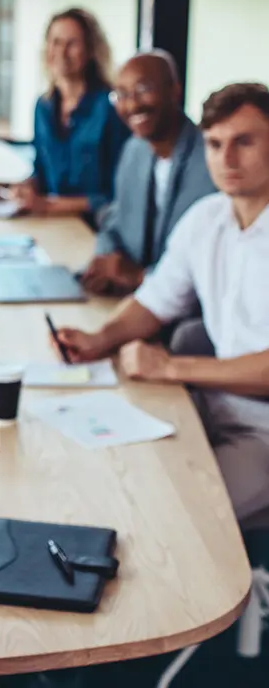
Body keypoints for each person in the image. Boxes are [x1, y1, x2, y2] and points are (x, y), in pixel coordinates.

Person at [54, 82, 269, 528]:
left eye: (243, 142)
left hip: (262, 428)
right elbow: (155, 301)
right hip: (210, 403)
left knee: (176, 517)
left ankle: (247, 593)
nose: (225, 159)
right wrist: (100, 338)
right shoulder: (207, 218)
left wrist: (170, 367)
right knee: (120, 477)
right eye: (214, 144)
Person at [82, 51, 215, 295]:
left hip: (181, 310)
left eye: (143, 89)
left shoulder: (212, 161)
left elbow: (209, 264)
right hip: (131, 299)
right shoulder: (134, 151)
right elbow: (114, 223)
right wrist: (106, 259)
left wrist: (140, 277)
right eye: (121, 94)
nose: (132, 104)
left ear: (174, 90)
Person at [0, 8, 129, 222]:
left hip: (96, 227)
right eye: (55, 42)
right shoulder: (43, 107)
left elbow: (117, 194)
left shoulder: (111, 108)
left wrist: (48, 205)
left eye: (72, 43)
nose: (61, 51)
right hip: (54, 223)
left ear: (90, 51)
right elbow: (41, 171)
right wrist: (14, 189)